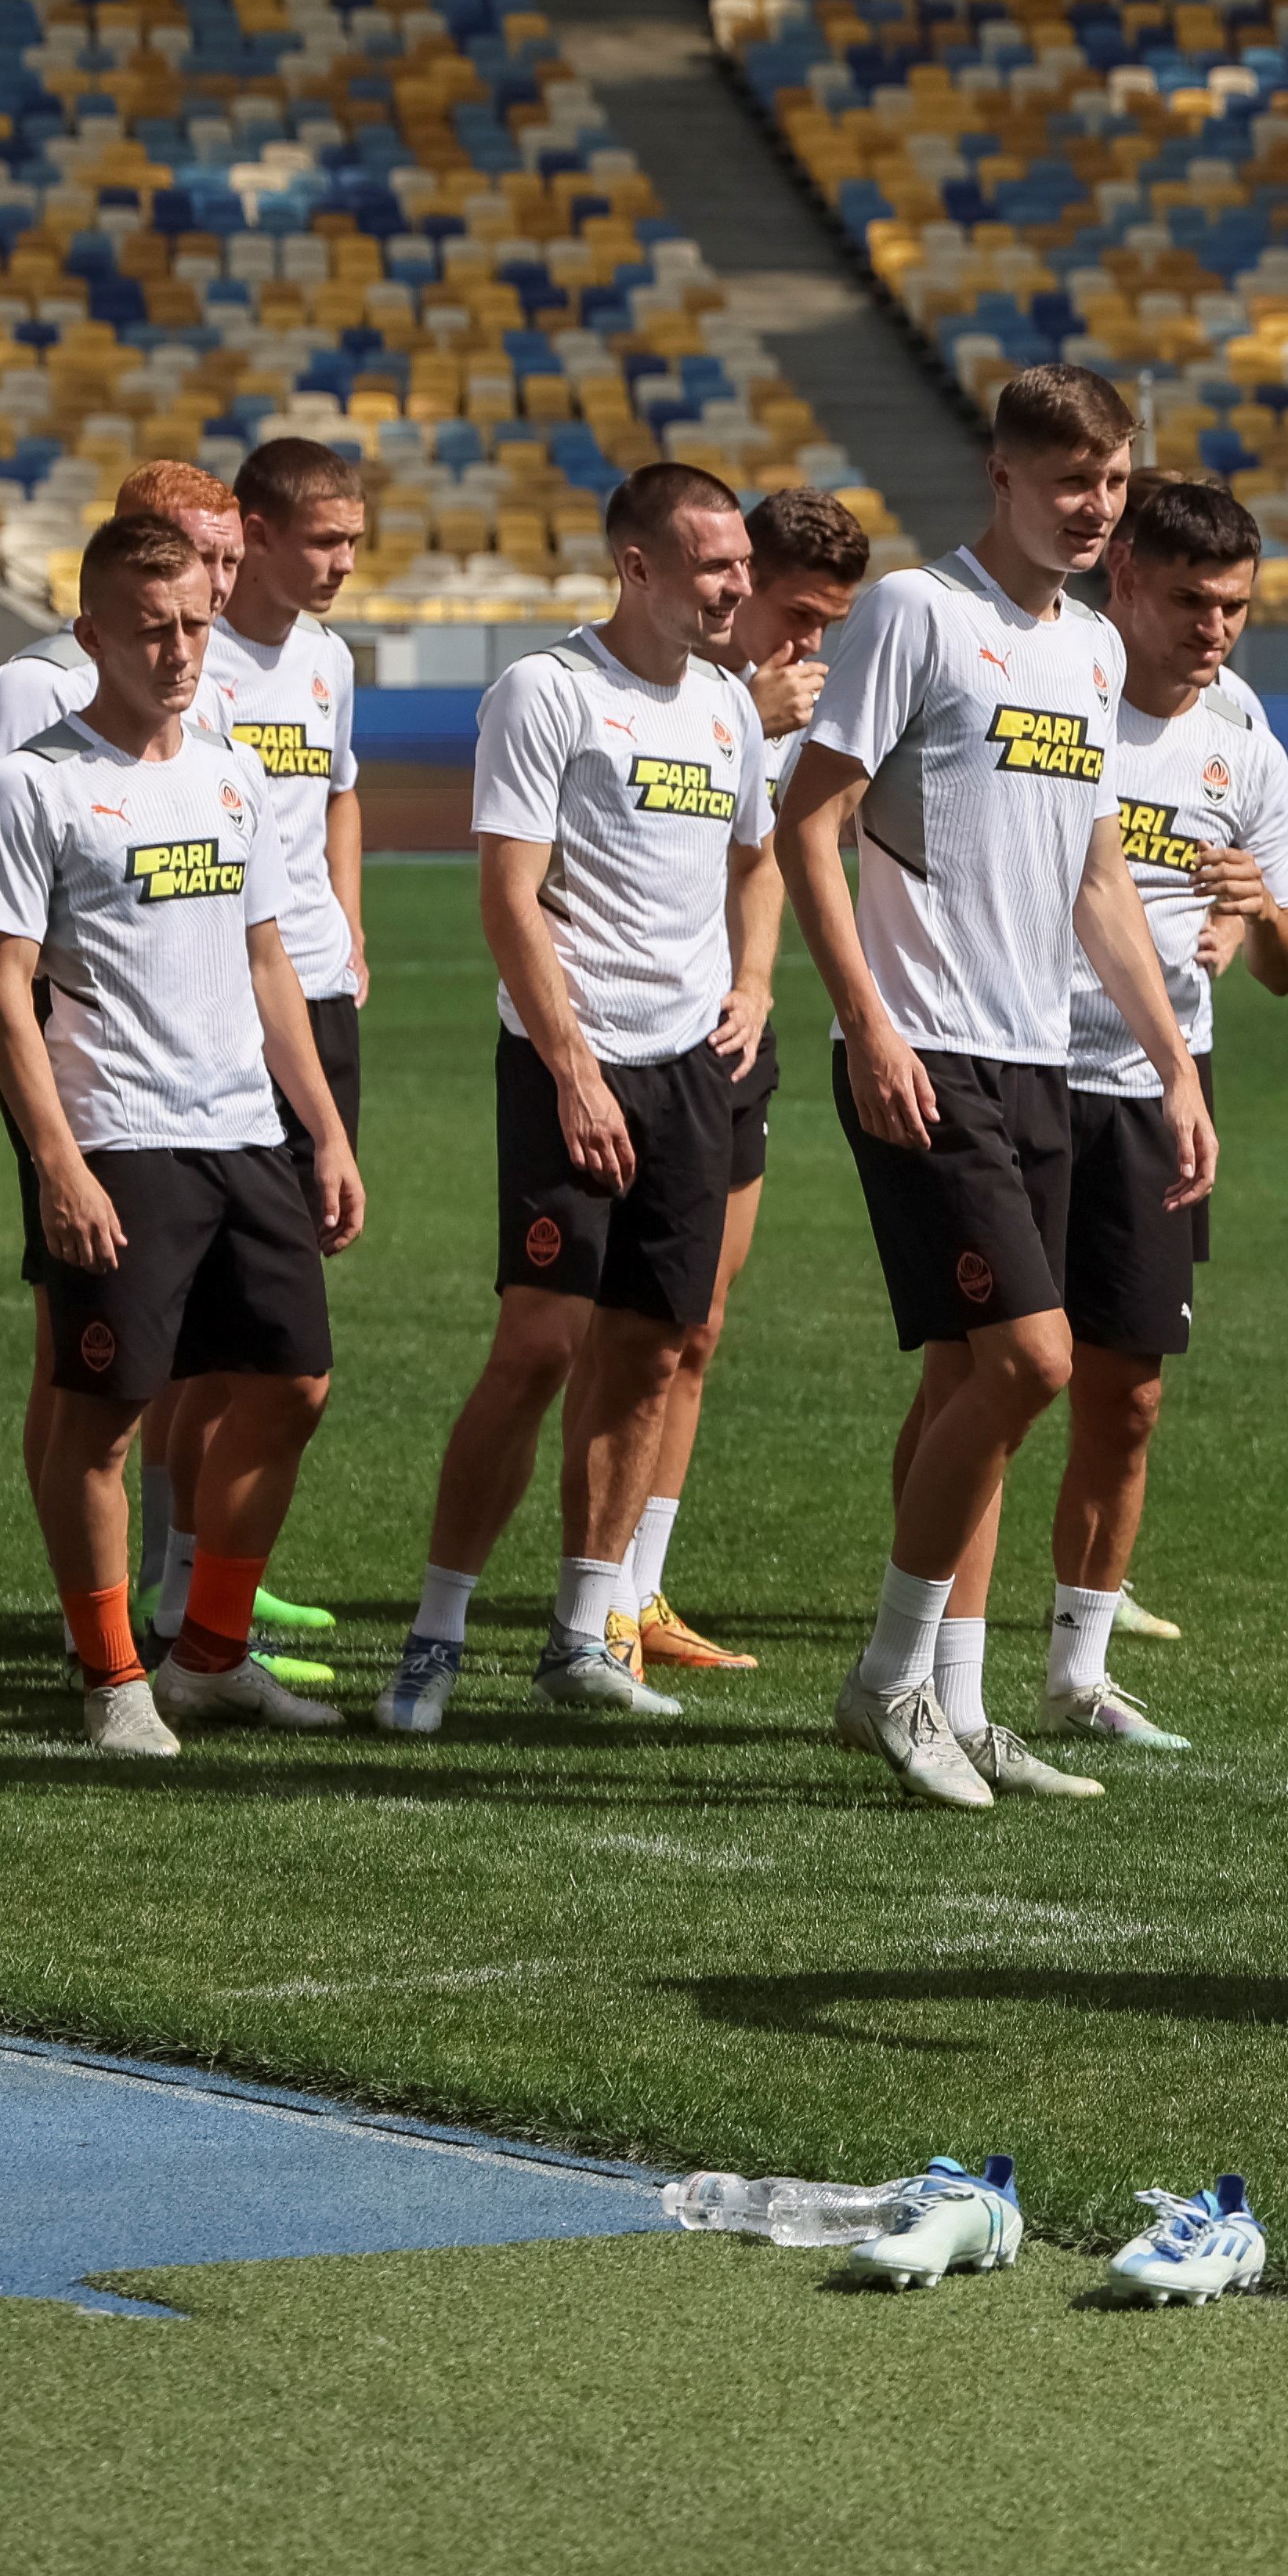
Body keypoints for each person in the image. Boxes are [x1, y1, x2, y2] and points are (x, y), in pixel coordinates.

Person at [776, 363, 1214, 1810]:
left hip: (1043, 1058)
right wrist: (867, 1019)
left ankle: (958, 1707)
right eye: (1069, 481)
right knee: (1031, 1360)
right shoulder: (917, 610)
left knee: (982, 1382)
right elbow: (811, 821)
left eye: (1111, 482)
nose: (1094, 509)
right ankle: (889, 1681)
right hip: (928, 1048)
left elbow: (1098, 877)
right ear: (1005, 478)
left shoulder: (1090, 651)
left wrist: (1167, 1063)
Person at [377, 463, 774, 1730]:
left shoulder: (727, 706)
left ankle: (581, 1631)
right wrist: (571, 1069)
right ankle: (435, 1637)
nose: (739, 587)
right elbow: (506, 896)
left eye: (742, 566)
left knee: (654, 1348)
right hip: (571, 1065)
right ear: (639, 566)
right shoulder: (547, 694)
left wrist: (755, 980)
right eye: (716, 566)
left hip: (690, 1072)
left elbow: (757, 857)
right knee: (541, 1345)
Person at [0, 513, 364, 1759]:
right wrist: (58, 1162)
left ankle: (210, 1656)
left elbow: (267, 961)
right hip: (119, 1136)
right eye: (152, 629)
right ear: (91, 635)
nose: (182, 648)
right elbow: (2, 988)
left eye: (194, 622)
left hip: (245, 1129)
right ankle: (112, 1679)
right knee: (107, 1415)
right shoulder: (35, 780)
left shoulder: (233, 769)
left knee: (293, 1384)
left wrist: (326, 1132)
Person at [968, 475, 1288, 1756]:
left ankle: (1076, 1672)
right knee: (985, 1374)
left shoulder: (1247, 740)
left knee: (1127, 1396)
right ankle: (933, 1666)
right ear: (1122, 580)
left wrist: (1258, 907)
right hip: (1013, 1063)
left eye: (1234, 606)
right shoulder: (1054, 693)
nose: (1214, 628)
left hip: (1157, 1090)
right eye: (1188, 600)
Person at [598, 484, 875, 1678]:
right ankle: (592, 1595)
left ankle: (641, 1589)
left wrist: (759, 981)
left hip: (728, 1035)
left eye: (830, 624)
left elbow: (767, 856)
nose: (810, 644)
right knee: (621, 1334)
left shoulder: (793, 701)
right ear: (732, 579)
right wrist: (750, 720)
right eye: (798, 613)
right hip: (619, 1041)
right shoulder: (653, 686)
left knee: (698, 1327)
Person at [150, 437, 371, 1647]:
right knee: (209, 1320)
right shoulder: (196, 654)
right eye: (323, 542)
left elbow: (339, 788)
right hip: (224, 999)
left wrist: (350, 918)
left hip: (312, 993)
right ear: (261, 536)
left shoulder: (329, 660)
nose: (340, 564)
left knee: (280, 1302)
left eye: (352, 542)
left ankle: (214, 1570)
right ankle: (178, 1572)